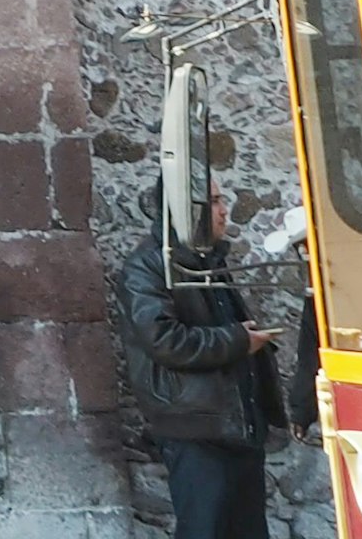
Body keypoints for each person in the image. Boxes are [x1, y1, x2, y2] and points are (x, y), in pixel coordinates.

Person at [113, 180, 276, 539]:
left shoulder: (207, 259)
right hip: (194, 428)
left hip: (235, 423)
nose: (224, 210)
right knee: (206, 529)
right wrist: (237, 340)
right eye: (214, 201)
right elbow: (165, 340)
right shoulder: (147, 266)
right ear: (187, 210)